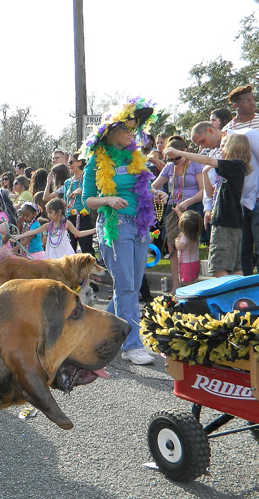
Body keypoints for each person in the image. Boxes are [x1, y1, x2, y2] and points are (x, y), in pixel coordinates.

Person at [82, 98, 161, 365]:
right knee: (127, 287)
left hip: (140, 226)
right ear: (113, 131)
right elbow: (87, 200)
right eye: (127, 129)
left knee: (132, 286)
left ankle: (98, 333)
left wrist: (154, 193)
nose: (132, 133)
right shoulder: (96, 161)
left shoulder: (135, 157)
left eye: (134, 129)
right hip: (116, 227)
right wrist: (107, 200)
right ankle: (131, 346)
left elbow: (140, 188)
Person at [191, 122, 259, 274]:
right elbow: (213, 184)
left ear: (210, 130)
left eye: (202, 141)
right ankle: (245, 295)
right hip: (239, 207)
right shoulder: (215, 153)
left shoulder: (249, 135)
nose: (203, 146)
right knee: (241, 255)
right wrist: (208, 207)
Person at [165, 134, 251, 277]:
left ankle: (224, 297)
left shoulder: (235, 164)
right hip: (228, 221)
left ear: (236, 147)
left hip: (225, 222)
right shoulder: (230, 168)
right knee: (235, 267)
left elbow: (207, 159)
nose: (220, 148)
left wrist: (179, 153)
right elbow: (210, 193)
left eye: (223, 145)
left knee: (220, 266)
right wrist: (205, 173)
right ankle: (238, 296)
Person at [152, 136, 204, 293]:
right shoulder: (169, 167)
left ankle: (191, 283)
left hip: (191, 210)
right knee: (173, 248)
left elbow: (203, 191)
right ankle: (176, 286)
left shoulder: (195, 165)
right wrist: (159, 194)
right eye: (172, 159)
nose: (175, 161)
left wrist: (187, 202)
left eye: (178, 158)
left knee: (190, 246)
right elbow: (152, 186)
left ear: (185, 151)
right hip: (173, 210)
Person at [15, 197, 95, 259]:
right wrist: (18, 237)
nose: (48, 215)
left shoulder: (66, 224)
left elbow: (79, 233)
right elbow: (33, 232)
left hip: (64, 253)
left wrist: (94, 230)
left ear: (59, 212)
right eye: (48, 213)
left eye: (51, 213)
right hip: (52, 254)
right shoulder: (48, 225)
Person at [64, 153, 94, 255]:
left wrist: (81, 190)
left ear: (80, 162)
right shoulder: (68, 182)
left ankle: (91, 271)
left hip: (83, 217)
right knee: (70, 250)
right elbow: (65, 201)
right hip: (70, 218)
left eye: (71, 162)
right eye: (68, 162)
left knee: (86, 250)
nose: (69, 165)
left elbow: (94, 193)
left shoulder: (87, 179)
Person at [174, 211, 202, 286]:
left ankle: (191, 296)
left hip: (187, 264)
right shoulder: (196, 234)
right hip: (195, 262)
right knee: (193, 281)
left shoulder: (185, 236)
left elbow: (179, 247)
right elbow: (187, 221)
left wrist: (176, 241)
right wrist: (178, 212)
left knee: (188, 283)